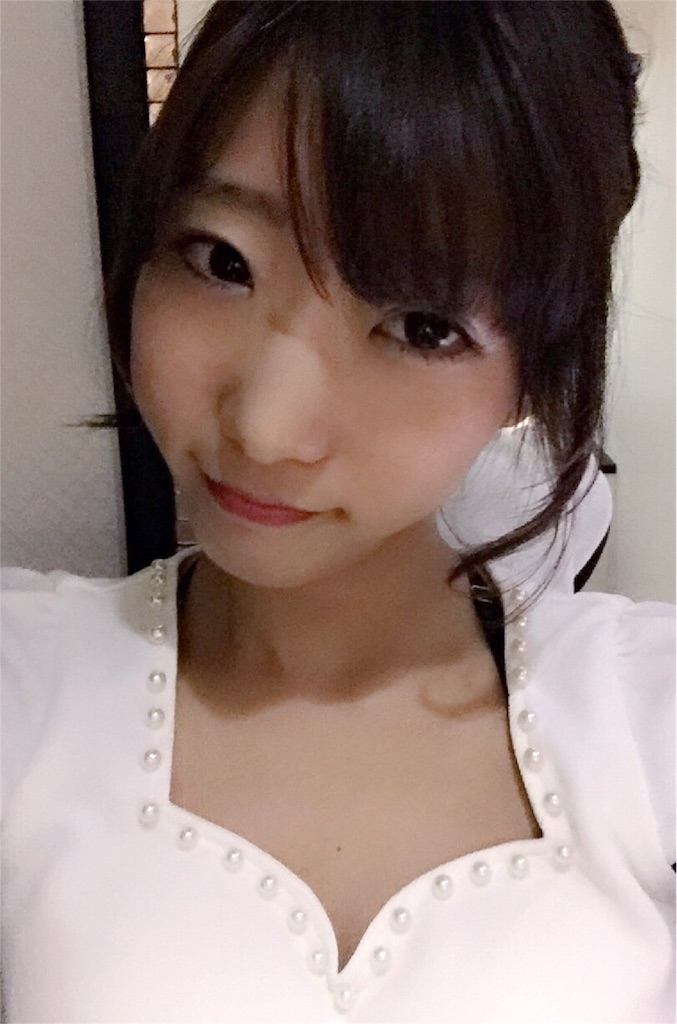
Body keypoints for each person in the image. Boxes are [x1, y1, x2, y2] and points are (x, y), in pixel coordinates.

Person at [1, 2, 674, 1021]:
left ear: (534, 371)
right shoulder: (27, 687)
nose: (266, 427)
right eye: (222, 260)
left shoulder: (642, 714)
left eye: (420, 326)